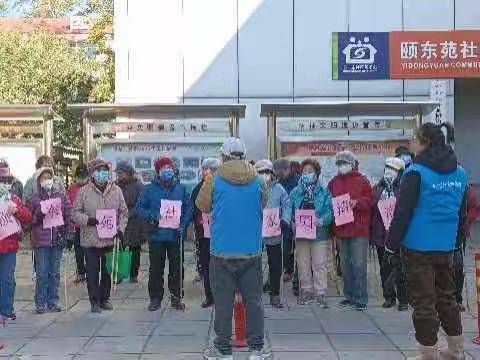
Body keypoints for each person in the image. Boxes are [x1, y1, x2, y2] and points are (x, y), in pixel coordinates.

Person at [387, 123, 468, 360]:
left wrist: (391, 244)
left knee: (423, 301)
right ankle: (456, 350)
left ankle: (428, 354)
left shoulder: (416, 173)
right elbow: (462, 213)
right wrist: (457, 241)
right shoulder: (460, 173)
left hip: (418, 246)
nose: (411, 141)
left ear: (424, 142)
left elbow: (403, 213)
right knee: (447, 297)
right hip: (446, 246)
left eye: (414, 138)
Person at [196, 137, 269, 360]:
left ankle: (223, 350)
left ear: (224, 156)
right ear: (243, 155)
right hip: (251, 251)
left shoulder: (214, 180)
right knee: (254, 302)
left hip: (221, 252)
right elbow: (263, 203)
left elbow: (202, 205)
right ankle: (256, 349)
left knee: (224, 303)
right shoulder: (258, 179)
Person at [135, 156, 192, 312]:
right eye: (163, 169)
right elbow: (139, 208)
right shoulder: (149, 189)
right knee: (155, 268)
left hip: (175, 235)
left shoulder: (180, 188)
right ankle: (155, 298)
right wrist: (152, 215)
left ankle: (176, 297)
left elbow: (189, 208)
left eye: (169, 168)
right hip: (156, 235)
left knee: (176, 268)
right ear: (158, 172)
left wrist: (184, 223)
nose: (167, 171)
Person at [72, 158, 128, 313]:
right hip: (90, 239)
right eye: (99, 171)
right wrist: (87, 220)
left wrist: (120, 229)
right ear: (92, 174)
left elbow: (124, 212)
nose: (102, 174)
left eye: (105, 171)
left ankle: (105, 299)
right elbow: (74, 212)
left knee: (107, 271)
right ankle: (94, 301)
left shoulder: (116, 190)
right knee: (92, 271)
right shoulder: (83, 192)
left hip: (110, 238)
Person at [328, 150, 373, 311]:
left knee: (359, 264)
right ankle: (349, 295)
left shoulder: (363, 181)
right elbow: (329, 202)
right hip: (341, 229)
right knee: (345, 265)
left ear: (353, 164)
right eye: (339, 163)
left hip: (359, 229)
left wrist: (357, 203)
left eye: (344, 163)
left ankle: (361, 298)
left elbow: (370, 201)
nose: (341, 166)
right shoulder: (333, 182)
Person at [28, 167, 72, 314]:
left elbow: (68, 214)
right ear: (39, 181)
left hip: (57, 240)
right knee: (42, 272)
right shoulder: (34, 199)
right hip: (41, 241)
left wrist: (67, 232)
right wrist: (40, 213)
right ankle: (40, 302)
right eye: (43, 178)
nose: (47, 181)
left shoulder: (60, 196)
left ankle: (52, 300)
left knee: (54, 272)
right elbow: (30, 219)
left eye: (49, 178)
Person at [289, 158, 333, 307]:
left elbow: (329, 211)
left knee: (320, 263)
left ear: (317, 173)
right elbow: (289, 210)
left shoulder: (324, 191)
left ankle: (320, 292)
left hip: (319, 234)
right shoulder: (295, 192)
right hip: (301, 234)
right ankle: (306, 290)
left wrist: (321, 220)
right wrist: (292, 222)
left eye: (310, 171)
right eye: (304, 171)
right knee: (302, 263)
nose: (306, 174)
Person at [369, 157, 408, 311]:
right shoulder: (378, 188)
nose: (389, 172)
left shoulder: (404, 188)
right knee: (384, 267)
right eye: (387, 168)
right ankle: (389, 296)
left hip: (398, 235)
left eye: (393, 169)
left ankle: (403, 299)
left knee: (400, 268)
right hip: (380, 234)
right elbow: (371, 209)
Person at [255, 159, 291, 309]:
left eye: (267, 172)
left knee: (275, 263)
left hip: (273, 230)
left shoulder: (279, 189)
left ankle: (274, 294)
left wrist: (285, 220)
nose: (265, 175)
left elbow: (287, 205)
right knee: (253, 264)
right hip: (256, 231)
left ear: (272, 173)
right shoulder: (252, 188)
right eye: (261, 172)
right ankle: (254, 293)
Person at [0, 172, 32, 320]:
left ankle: (6, 309)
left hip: (9, 245)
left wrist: (17, 211)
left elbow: (27, 216)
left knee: (7, 279)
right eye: (2, 180)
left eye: (7, 181)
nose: (5, 184)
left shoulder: (14, 199)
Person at [191, 158, 221, 308]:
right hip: (204, 234)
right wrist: (198, 220)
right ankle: (209, 296)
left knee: (222, 265)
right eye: (204, 169)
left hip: (222, 233)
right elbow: (194, 208)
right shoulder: (198, 189)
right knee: (207, 265)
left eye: (210, 169)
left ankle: (223, 294)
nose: (207, 172)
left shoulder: (223, 187)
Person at [115, 161, 145, 283]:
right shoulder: (116, 186)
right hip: (120, 221)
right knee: (119, 248)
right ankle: (119, 274)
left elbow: (141, 203)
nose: (119, 176)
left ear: (128, 173)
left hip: (134, 222)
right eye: (118, 173)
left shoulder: (139, 186)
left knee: (134, 249)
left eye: (121, 173)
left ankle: (133, 274)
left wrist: (130, 213)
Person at [273, 158, 298, 283]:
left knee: (292, 246)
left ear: (287, 169)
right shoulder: (278, 181)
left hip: (293, 219)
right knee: (282, 247)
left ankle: (292, 272)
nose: (279, 175)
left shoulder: (297, 181)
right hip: (278, 219)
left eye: (280, 172)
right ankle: (286, 269)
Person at [66, 164, 89, 283]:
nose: (81, 178)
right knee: (78, 250)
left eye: (83, 176)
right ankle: (80, 273)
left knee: (89, 250)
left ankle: (91, 272)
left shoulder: (92, 187)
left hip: (90, 224)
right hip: (77, 225)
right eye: (79, 176)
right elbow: (68, 204)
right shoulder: (72, 188)